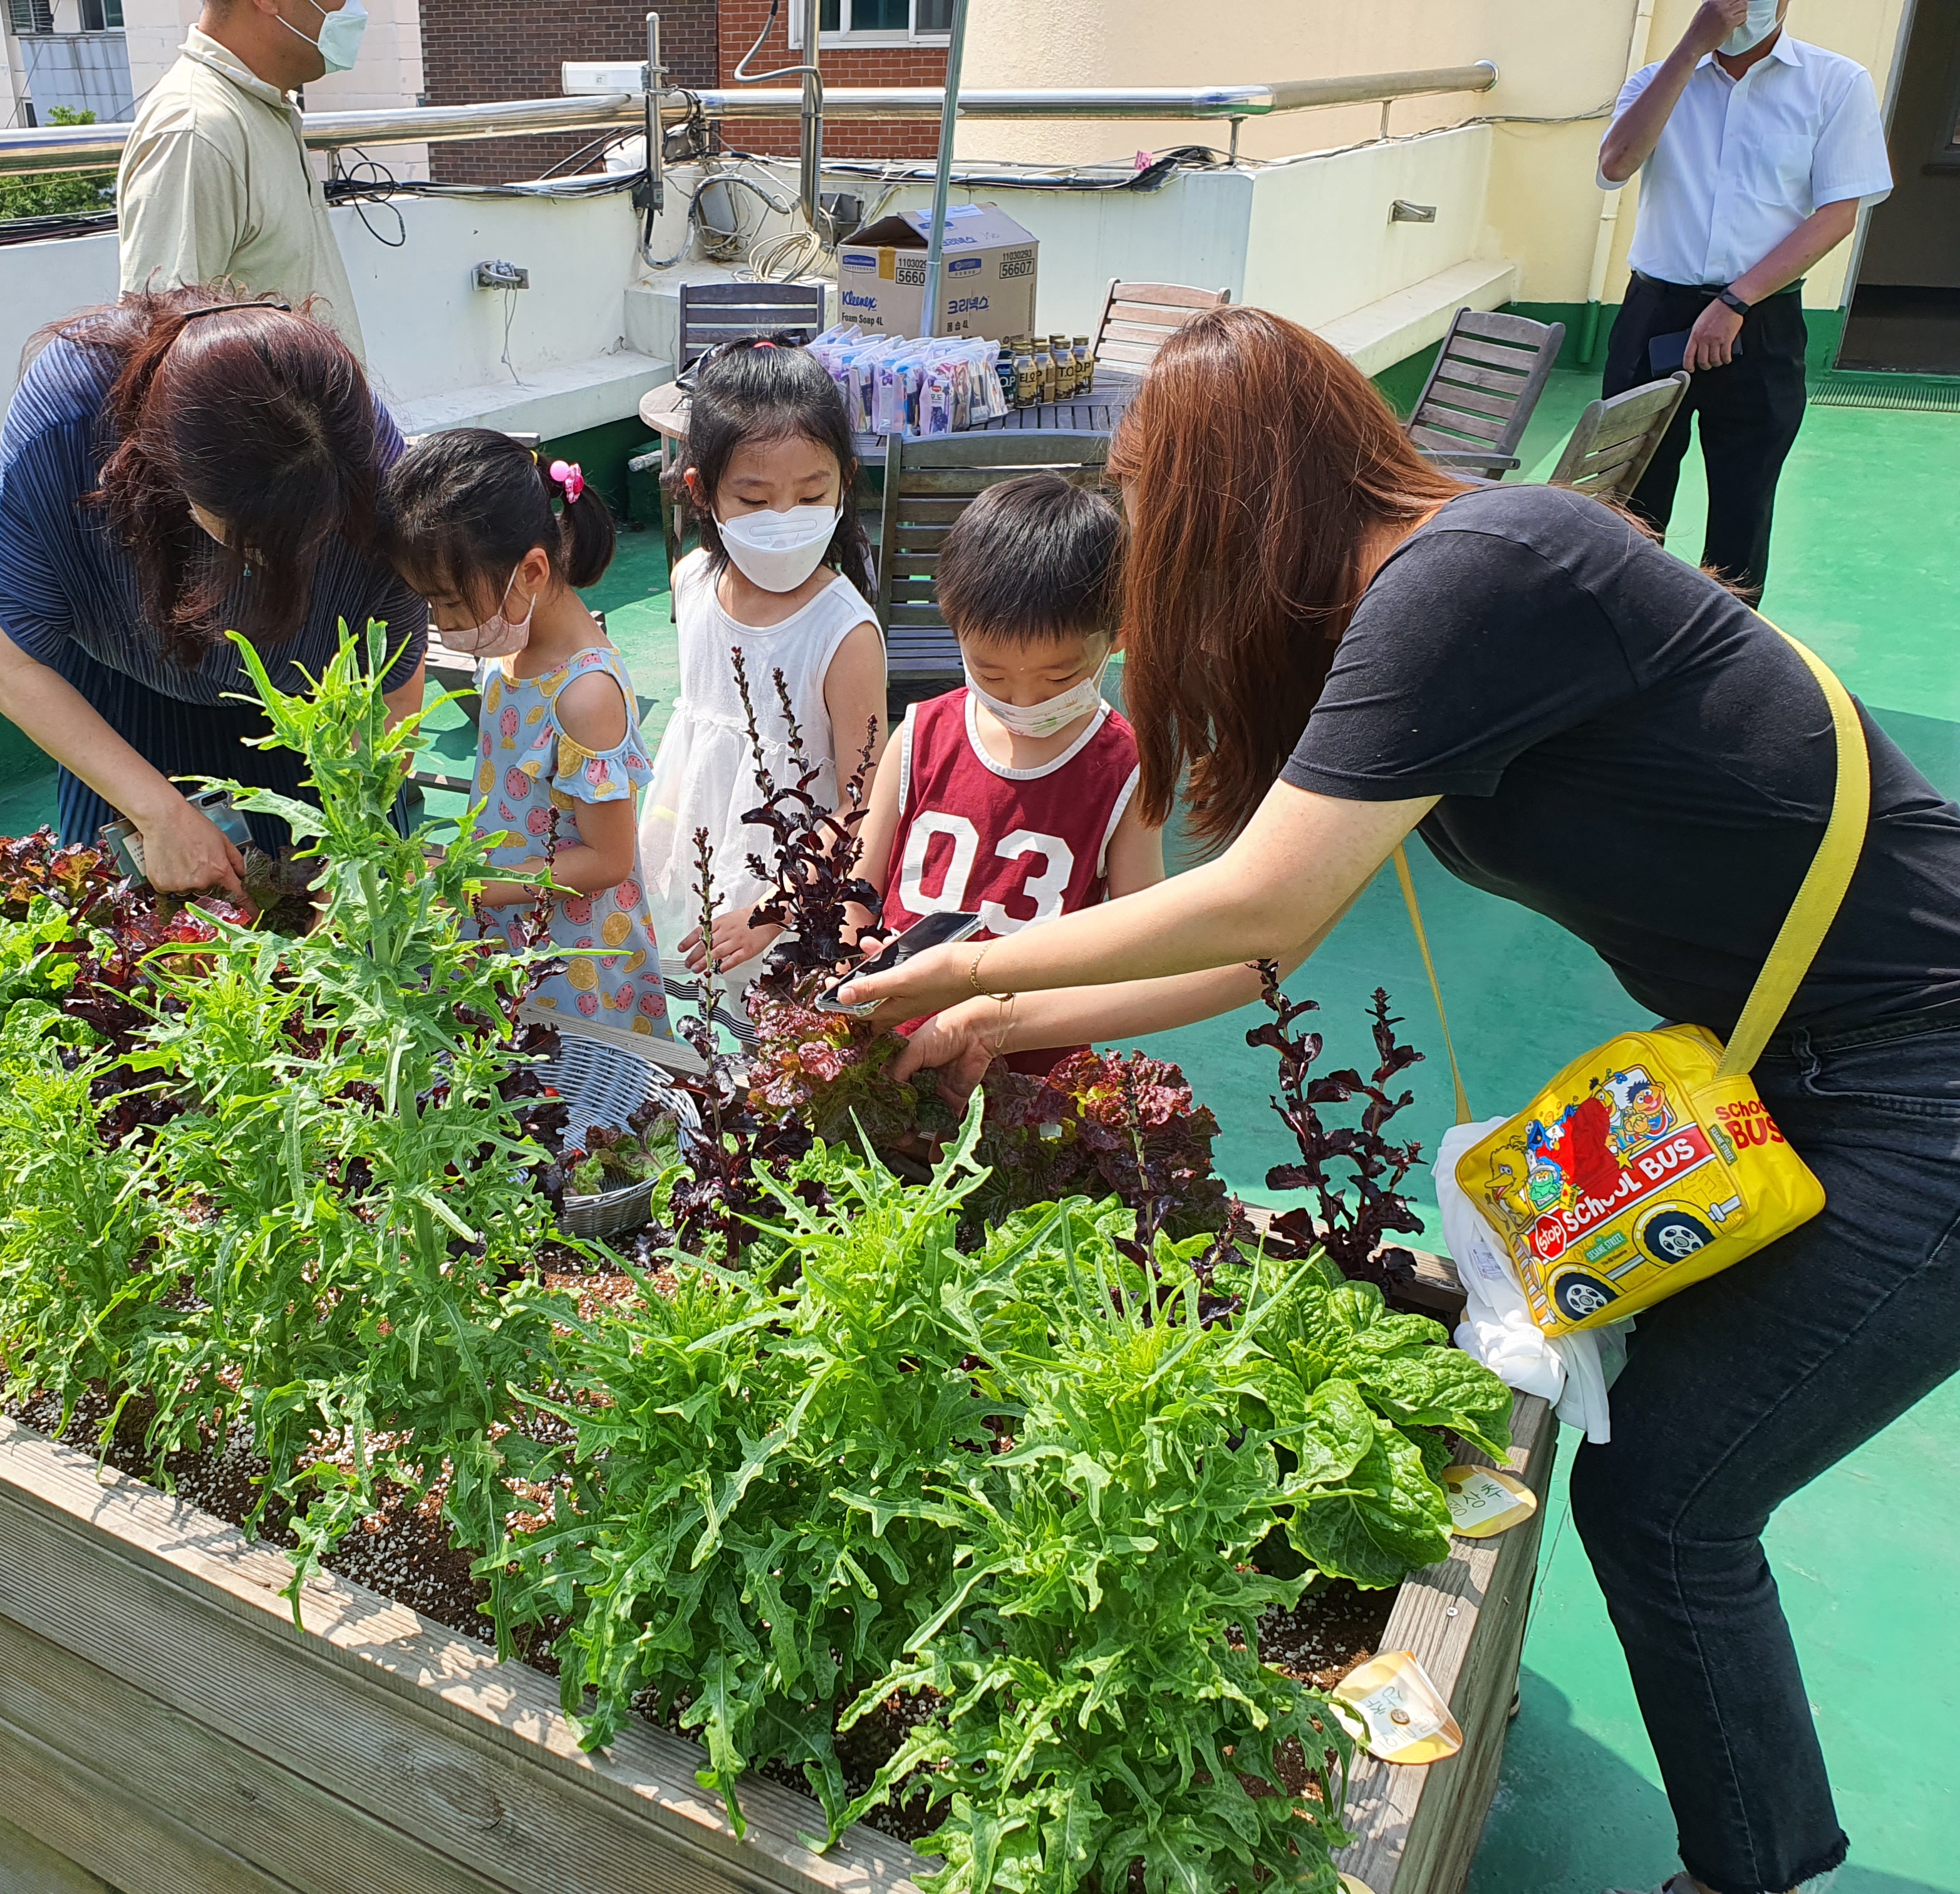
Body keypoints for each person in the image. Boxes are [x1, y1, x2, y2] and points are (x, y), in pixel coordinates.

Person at [837, 306, 1960, 1894]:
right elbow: (1258, 957)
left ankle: (1746, 1874)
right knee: (1656, 1473)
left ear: (1231, 481)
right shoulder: (1427, 609)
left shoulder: (1479, 572)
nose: (1142, 531)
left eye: (1150, 487)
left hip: (1929, 1072)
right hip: (1813, 1070)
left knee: (1668, 1502)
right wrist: (1005, 1016)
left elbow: (1257, 905)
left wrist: (959, 975)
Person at [0, 287, 424, 899]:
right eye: (248, 537)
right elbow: (7, 661)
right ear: (168, 469)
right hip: (125, 712)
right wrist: (158, 813)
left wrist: (351, 838)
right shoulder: (66, 422)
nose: (271, 561)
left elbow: (392, 693)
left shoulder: (365, 454)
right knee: (135, 949)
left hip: (314, 724)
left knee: (351, 936)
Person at [852, 474, 1171, 1075]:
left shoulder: (1127, 770)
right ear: (955, 628)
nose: (1024, 699)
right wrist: (850, 954)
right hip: (890, 1046)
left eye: (1058, 678)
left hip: (1027, 1064)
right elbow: (858, 889)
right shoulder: (920, 733)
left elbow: (1140, 941)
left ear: (1119, 635)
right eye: (991, 673)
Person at [1595, 0, 1892, 604]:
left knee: (1744, 501)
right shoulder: (1657, 80)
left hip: (1762, 319)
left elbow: (1838, 213)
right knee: (1629, 500)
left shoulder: (1835, 82)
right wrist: (1688, 52)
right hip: (1656, 312)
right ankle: (1629, 639)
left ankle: (1726, 656)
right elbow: (1616, 164)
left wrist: (1736, 301)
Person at [638, 337, 887, 1049]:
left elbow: (859, 801)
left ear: (845, 482)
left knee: (768, 1054)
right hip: (693, 860)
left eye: (812, 495)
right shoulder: (692, 582)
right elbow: (698, 730)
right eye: (754, 498)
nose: (786, 516)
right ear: (701, 492)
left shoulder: (844, 633)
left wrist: (777, 909)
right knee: (688, 1044)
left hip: (788, 890)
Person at [383, 429, 672, 1038]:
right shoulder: (506, 649)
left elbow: (610, 858)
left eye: (452, 604)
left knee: (585, 1113)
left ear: (532, 570)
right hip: (507, 928)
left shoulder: (586, 695)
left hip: (577, 963)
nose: (443, 625)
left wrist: (482, 888)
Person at [117, 0, 370, 361]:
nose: (355, 8)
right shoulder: (196, 131)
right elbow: (160, 354)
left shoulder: (263, 105)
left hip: (312, 416)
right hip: (275, 419)